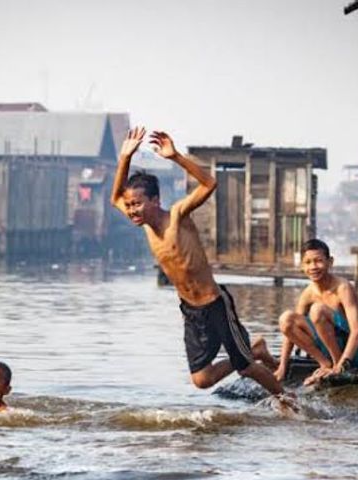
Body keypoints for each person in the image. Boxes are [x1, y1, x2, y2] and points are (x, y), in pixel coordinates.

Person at [110, 127, 287, 403]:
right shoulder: (144, 226)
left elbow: (209, 184)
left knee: (246, 368)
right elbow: (114, 198)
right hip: (190, 310)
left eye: (138, 204)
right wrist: (124, 158)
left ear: (155, 201)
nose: (132, 210)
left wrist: (175, 156)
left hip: (215, 303)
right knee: (201, 379)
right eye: (130, 205)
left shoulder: (177, 216)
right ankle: (256, 347)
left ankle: (288, 401)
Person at [276, 239, 358, 385]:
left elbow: (357, 331)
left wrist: (342, 364)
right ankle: (325, 363)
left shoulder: (343, 288)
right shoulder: (308, 293)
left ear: (330, 262)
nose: (313, 267)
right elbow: (290, 332)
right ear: (302, 266)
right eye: (308, 262)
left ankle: (335, 364)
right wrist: (283, 366)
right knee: (286, 319)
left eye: (318, 261)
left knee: (317, 310)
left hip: (357, 350)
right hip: (331, 346)